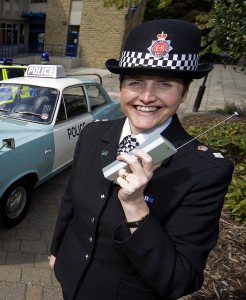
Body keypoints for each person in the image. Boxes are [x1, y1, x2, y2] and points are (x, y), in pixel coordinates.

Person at [49, 19, 234, 300]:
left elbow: (181, 280)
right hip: (70, 276)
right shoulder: (92, 134)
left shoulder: (205, 170)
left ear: (184, 93)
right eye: (135, 82)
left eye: (164, 84)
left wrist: (136, 207)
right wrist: (56, 251)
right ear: (121, 88)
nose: (146, 97)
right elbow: (71, 202)